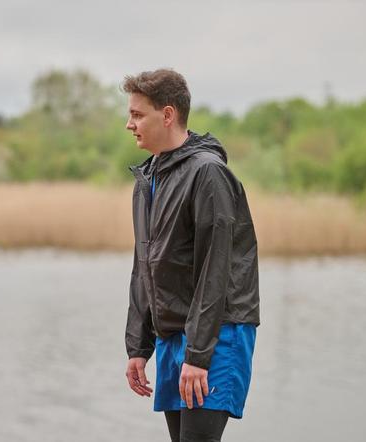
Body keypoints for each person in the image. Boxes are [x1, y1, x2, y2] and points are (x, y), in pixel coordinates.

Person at [122, 69, 260, 442]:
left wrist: (198, 356)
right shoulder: (149, 178)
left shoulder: (208, 174)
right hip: (172, 336)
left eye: (138, 115)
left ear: (167, 115)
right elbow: (144, 266)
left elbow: (217, 270)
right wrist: (139, 345)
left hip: (217, 336)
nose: (129, 124)